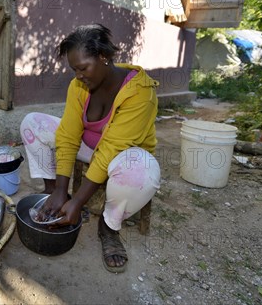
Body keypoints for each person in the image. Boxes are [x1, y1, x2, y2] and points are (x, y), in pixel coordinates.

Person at [19, 23, 161, 273]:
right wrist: (62, 189)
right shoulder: (79, 86)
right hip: (89, 147)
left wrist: (80, 201)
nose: (78, 75)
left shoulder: (141, 92)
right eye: (74, 70)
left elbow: (112, 149)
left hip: (124, 156)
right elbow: (68, 134)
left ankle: (109, 227)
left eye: (83, 68)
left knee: (139, 174)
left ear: (104, 57)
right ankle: (52, 197)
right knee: (32, 123)